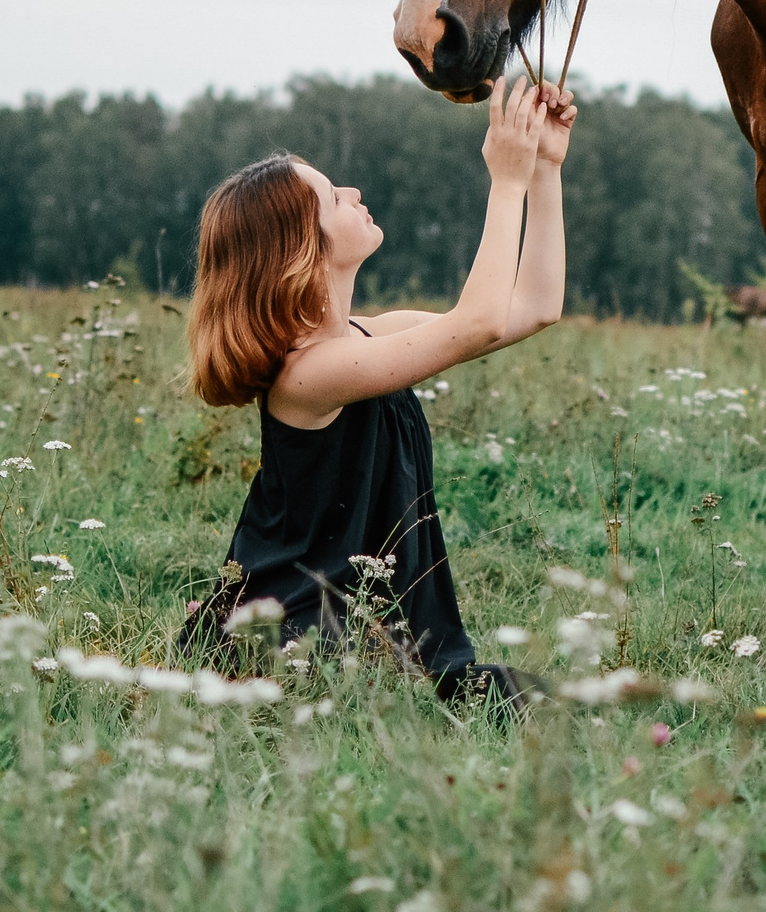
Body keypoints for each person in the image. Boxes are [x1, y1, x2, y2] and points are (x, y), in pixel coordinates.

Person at [183, 76, 574, 709]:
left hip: (376, 625)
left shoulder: (368, 339)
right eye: (333, 197)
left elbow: (531, 308)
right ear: (301, 248)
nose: (354, 192)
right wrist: (504, 181)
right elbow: (473, 323)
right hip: (300, 637)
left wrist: (544, 169)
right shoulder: (308, 376)